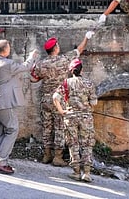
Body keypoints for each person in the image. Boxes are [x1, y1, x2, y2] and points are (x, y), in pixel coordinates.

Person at [30, 30, 94, 166]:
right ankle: (57, 157)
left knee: (47, 127)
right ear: (56, 48)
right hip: (59, 100)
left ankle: (47, 155)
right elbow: (79, 50)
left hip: (45, 99)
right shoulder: (64, 60)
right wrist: (86, 38)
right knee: (60, 127)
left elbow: (33, 79)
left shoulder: (41, 64)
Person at [0, 39, 39, 174]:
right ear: (5, 50)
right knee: (12, 128)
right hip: (4, 102)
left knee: (0, 130)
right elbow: (25, 67)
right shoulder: (7, 64)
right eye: (9, 47)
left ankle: (2, 160)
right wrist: (32, 56)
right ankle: (1, 160)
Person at [53, 58, 97, 182]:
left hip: (70, 116)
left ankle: (76, 172)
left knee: (73, 144)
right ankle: (87, 173)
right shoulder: (89, 83)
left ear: (71, 71)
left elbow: (55, 97)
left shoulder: (66, 83)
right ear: (81, 69)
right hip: (85, 117)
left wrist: (61, 111)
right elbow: (94, 103)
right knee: (87, 144)